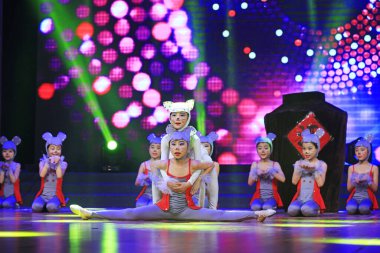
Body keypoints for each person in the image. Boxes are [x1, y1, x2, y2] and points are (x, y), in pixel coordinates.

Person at [70, 129, 276, 222]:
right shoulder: (161, 162)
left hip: (188, 210)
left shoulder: (194, 162)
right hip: (163, 209)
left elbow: (212, 164)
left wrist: (192, 184)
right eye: (174, 144)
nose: (177, 148)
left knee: (220, 216)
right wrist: (166, 182)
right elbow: (151, 170)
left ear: (188, 148)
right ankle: (91, 213)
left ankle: (257, 215)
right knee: (130, 214)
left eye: (181, 144)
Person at [153, 99, 213, 206]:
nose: (177, 118)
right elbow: (163, 164)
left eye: (182, 115)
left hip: (191, 174)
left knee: (202, 180)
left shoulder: (194, 138)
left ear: (188, 117)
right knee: (155, 175)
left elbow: (198, 165)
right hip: (172, 174)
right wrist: (168, 181)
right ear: (170, 117)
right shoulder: (166, 139)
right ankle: (156, 205)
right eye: (174, 115)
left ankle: (205, 209)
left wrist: (189, 182)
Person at [288, 129, 327, 217]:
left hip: (312, 199)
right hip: (300, 198)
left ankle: (315, 209)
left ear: (317, 149)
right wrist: (299, 169)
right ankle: (302, 208)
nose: (306, 152)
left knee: (306, 210)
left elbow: (320, 184)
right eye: (304, 149)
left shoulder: (322, 164)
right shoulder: (299, 163)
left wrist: (313, 171)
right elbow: (294, 182)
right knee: (292, 210)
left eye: (310, 149)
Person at [32, 132, 68, 212]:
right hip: (43, 195)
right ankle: (44, 205)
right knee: (36, 207)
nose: (55, 151)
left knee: (51, 207)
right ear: (47, 150)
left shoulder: (63, 164)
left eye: (58, 148)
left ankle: (56, 204)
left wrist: (57, 163)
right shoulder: (42, 162)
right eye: (52, 148)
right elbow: (42, 175)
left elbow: (59, 176)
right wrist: (48, 163)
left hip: (55, 195)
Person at [248, 133, 285, 211]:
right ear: (257, 150)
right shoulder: (255, 164)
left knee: (266, 207)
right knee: (255, 207)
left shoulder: (275, 164)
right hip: (259, 196)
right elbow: (250, 183)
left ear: (270, 149)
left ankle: (273, 206)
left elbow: (283, 179)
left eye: (266, 148)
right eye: (260, 148)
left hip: (272, 196)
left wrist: (272, 172)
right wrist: (256, 173)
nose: (263, 151)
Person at [346, 136, 378, 214]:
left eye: (362, 150)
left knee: (364, 209)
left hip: (367, 197)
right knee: (350, 209)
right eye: (357, 150)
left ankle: (362, 208)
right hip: (355, 197)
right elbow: (348, 189)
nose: (359, 153)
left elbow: (375, 189)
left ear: (368, 151)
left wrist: (368, 180)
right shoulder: (351, 168)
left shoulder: (373, 168)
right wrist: (354, 181)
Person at [192, 131, 220, 209]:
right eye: (199, 146)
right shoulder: (190, 162)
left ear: (211, 149)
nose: (202, 149)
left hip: (205, 198)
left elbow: (211, 188)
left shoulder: (214, 165)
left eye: (206, 146)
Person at [135, 133, 162, 207]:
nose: (155, 150)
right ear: (149, 149)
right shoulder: (144, 165)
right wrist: (145, 178)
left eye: (158, 148)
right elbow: (137, 183)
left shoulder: (165, 164)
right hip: (147, 194)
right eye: (152, 147)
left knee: (153, 208)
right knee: (140, 206)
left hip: (160, 195)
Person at [0, 136, 23, 208]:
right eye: (5, 151)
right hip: (3, 194)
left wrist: (9, 169)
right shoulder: (1, 164)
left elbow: (14, 180)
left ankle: (16, 203)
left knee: (5, 204)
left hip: (12, 194)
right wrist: (2, 170)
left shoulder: (17, 165)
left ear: (14, 153)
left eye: (10, 151)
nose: (7, 153)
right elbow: (1, 181)